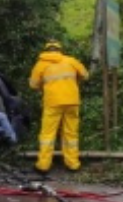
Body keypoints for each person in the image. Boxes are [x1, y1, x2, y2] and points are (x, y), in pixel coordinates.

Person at [28, 40, 89, 174]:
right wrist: (75, 80)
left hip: (52, 103)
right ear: (60, 50)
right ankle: (73, 164)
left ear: (46, 50)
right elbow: (85, 75)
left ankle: (43, 166)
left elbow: (33, 84)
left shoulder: (41, 64)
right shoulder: (70, 61)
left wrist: (43, 86)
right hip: (72, 101)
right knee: (71, 133)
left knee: (48, 134)